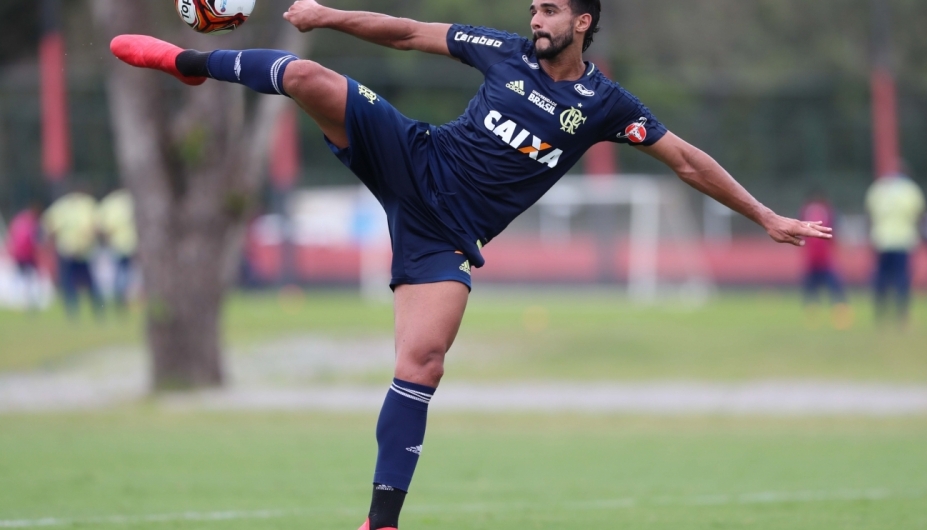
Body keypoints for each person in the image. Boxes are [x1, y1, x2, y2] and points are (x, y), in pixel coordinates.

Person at [110, 1, 831, 528]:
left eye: (549, 10)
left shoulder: (606, 104)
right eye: (534, 8)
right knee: (303, 74)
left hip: (445, 236)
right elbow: (405, 33)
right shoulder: (503, 49)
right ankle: (190, 65)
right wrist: (327, 14)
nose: (536, 18)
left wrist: (764, 215)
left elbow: (687, 161)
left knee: (422, 363)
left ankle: (380, 523)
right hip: (411, 154)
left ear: (584, 22)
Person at [865, 172, 925, 324]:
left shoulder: (878, 189)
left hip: (881, 240)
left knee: (882, 277)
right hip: (903, 240)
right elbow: (918, 215)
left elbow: (870, 217)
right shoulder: (910, 190)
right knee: (901, 277)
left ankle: (880, 311)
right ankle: (902, 312)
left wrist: (871, 237)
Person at [42, 190, 103, 318]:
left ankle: (81, 311)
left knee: (77, 283)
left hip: (77, 250)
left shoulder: (63, 206)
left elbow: (49, 226)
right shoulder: (87, 205)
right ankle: (88, 311)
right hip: (73, 250)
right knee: (82, 283)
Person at [800, 191, 852, 329]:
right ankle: (841, 318)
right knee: (836, 289)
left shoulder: (805, 211)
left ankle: (812, 320)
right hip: (826, 259)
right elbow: (835, 234)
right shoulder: (829, 211)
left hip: (811, 259)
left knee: (811, 290)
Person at [97, 188, 138, 311]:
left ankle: (120, 298)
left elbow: (101, 227)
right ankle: (125, 298)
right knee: (129, 273)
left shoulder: (110, 203)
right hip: (132, 244)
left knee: (119, 273)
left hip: (117, 245)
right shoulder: (133, 201)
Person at [5, 203, 43, 310]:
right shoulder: (32, 223)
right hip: (27, 254)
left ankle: (17, 299)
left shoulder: (17, 220)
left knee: (20, 277)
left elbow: (12, 236)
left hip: (17, 253)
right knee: (29, 277)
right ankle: (27, 300)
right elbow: (34, 240)